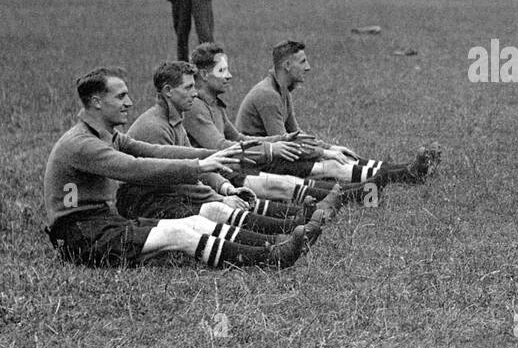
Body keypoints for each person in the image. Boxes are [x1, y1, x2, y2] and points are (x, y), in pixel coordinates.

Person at [43, 67, 318, 269]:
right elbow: (135, 168)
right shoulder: (82, 143)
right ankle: (271, 258)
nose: (129, 102)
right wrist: (200, 166)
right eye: (121, 96)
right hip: (78, 235)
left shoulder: (105, 134)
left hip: (101, 222)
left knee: (197, 222)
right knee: (180, 233)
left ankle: (277, 243)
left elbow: (153, 151)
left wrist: (213, 156)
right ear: (96, 102)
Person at [114, 61, 338, 242]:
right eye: (189, 88)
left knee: (240, 194)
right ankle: (286, 232)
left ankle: (298, 220)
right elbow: (189, 171)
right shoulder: (154, 127)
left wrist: (226, 187)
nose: (195, 93)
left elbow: (202, 162)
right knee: (220, 208)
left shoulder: (176, 118)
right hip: (148, 202)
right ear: (168, 91)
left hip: (185, 186)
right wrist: (220, 195)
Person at [185, 42, 367, 205]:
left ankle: (368, 188)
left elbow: (239, 137)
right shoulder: (196, 108)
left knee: (291, 182)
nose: (229, 76)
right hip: (224, 173)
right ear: (204, 75)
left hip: (239, 165)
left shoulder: (214, 104)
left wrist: (282, 139)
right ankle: (365, 192)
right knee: (285, 183)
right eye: (222, 71)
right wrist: (274, 148)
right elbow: (220, 147)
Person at [235, 40, 441, 185]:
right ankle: (407, 174)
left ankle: (409, 169)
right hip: (263, 165)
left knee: (342, 156)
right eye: (303, 62)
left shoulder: (281, 89)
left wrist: (331, 147)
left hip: (277, 158)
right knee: (333, 165)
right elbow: (287, 149)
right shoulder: (268, 96)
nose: (308, 67)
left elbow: (297, 136)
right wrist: (324, 153)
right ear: (287, 65)